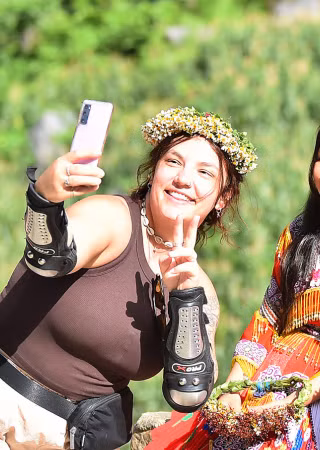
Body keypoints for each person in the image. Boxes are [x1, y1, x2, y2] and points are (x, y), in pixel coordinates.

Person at [147, 103, 320, 450]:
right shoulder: (300, 233)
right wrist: (235, 389)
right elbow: (268, 316)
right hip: (273, 369)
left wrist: (297, 399)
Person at [0, 106, 256, 449]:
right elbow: (49, 255)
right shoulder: (114, 218)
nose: (184, 179)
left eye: (205, 172)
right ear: (154, 171)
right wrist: (45, 196)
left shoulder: (198, 287)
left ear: (223, 196)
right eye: (173, 162)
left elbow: (188, 393)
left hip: (71, 439)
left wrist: (184, 299)